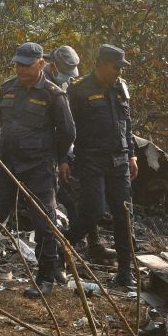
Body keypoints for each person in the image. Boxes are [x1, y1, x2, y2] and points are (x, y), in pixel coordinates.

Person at [0, 42, 74, 297]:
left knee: (44, 224)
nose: (20, 69)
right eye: (17, 64)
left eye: (26, 65)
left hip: (39, 168)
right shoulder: (7, 89)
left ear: (41, 64)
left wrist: (60, 159)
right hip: (7, 166)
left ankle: (45, 278)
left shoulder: (54, 95)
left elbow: (67, 133)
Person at [62, 45, 138, 289]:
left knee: (123, 214)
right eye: (116, 67)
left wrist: (132, 155)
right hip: (90, 159)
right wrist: (63, 158)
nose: (119, 72)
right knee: (92, 212)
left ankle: (125, 273)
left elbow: (127, 123)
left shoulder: (119, 88)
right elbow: (66, 127)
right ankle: (58, 251)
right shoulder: (79, 89)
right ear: (102, 64)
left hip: (119, 160)